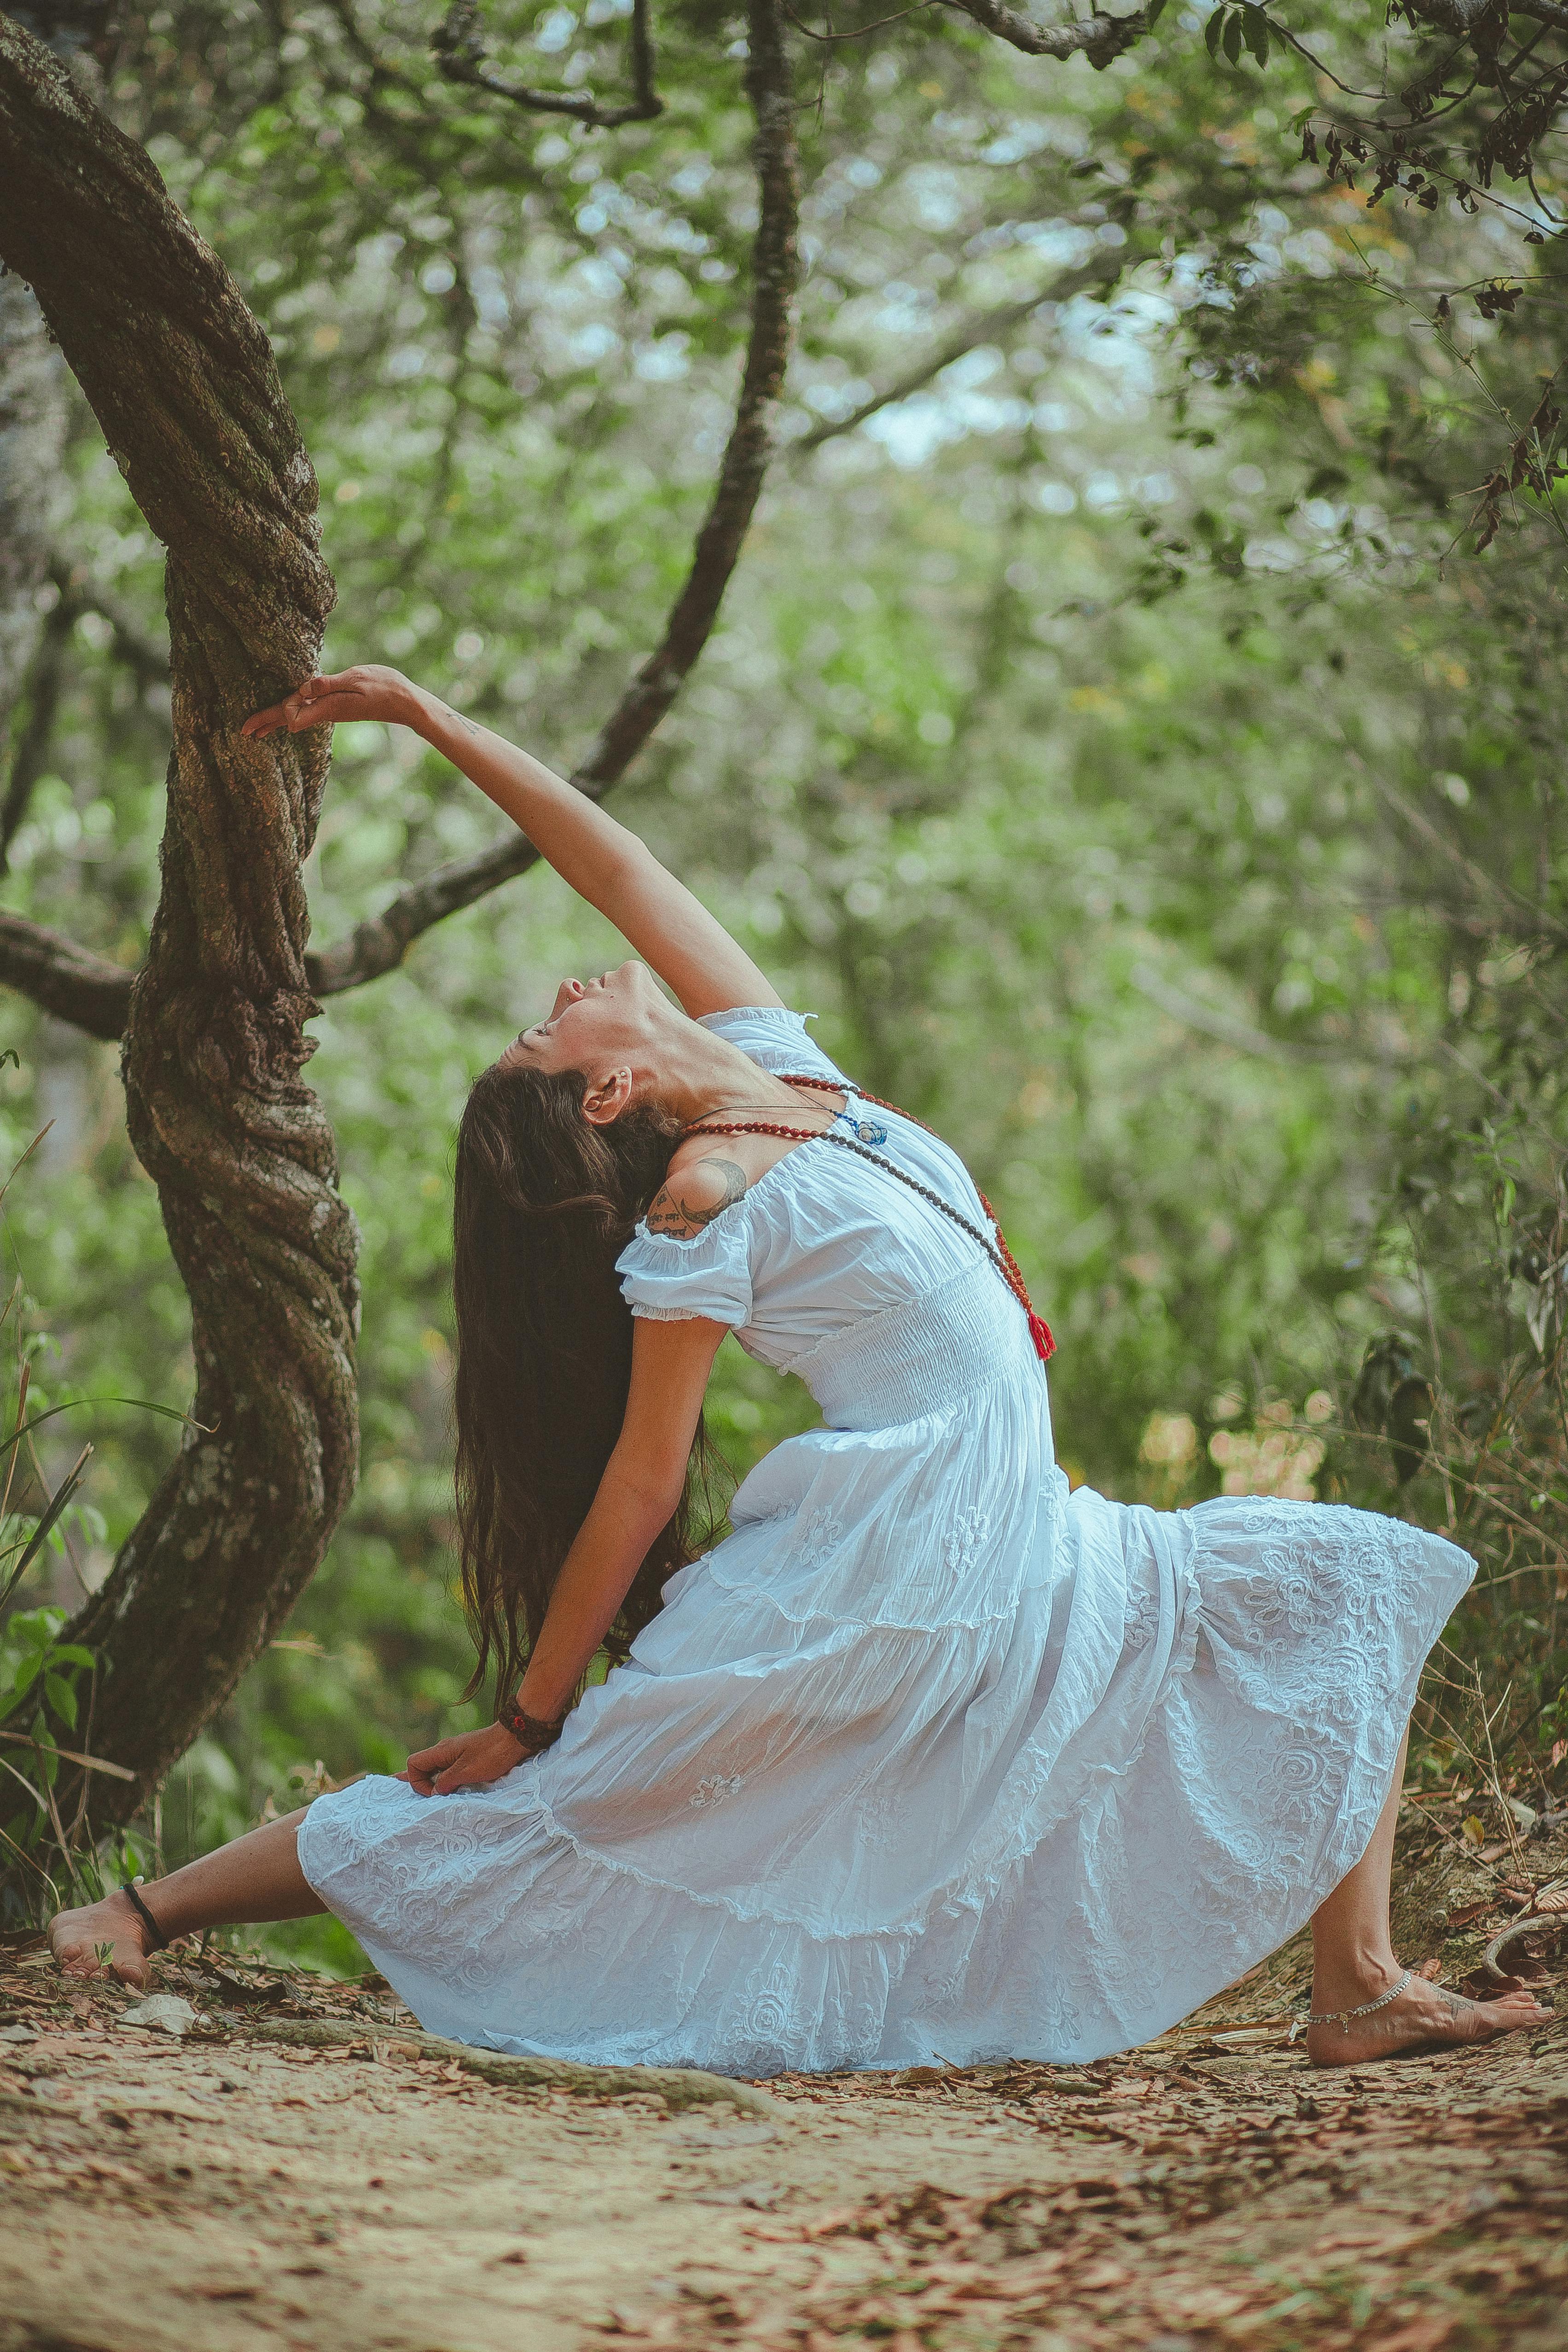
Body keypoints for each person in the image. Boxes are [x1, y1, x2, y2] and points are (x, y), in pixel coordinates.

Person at [51, 667, 1548, 2073]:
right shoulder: (705, 1201)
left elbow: (618, 863)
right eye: (545, 1029)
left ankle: (1356, 1988)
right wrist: (531, 1705)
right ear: (613, 1087)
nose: (569, 985)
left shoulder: (789, 1076)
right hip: (883, 1576)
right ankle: (143, 1910)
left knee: (1340, 1576)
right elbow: (642, 1480)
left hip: (1010, 1529)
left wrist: (427, 716)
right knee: (550, 1815)